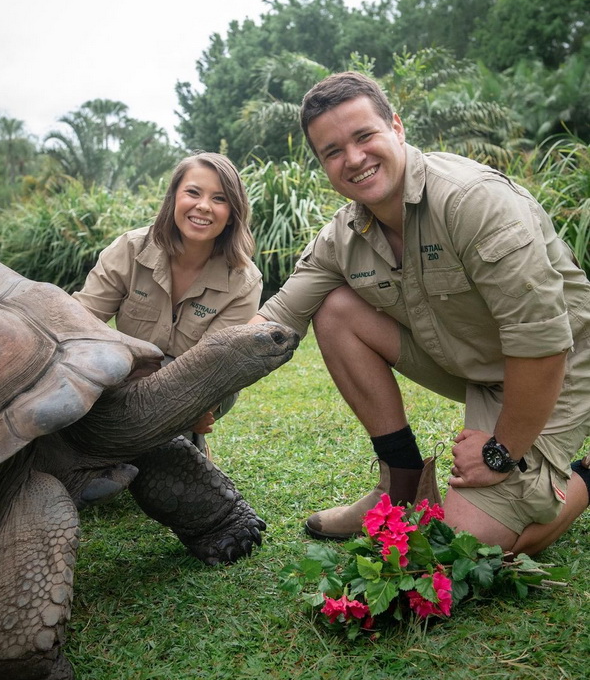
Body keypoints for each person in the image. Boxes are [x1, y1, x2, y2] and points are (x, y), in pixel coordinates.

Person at [251, 71, 590, 556]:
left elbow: (541, 343)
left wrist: (501, 450)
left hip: (562, 366)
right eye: (332, 151)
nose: (353, 159)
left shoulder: (472, 201)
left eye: (364, 136)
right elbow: (275, 320)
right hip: (476, 363)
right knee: (335, 309)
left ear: (397, 127)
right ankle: (401, 484)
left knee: (469, 547)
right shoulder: (344, 233)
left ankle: (586, 474)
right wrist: (197, 385)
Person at [74, 152, 262, 454]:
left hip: (199, 385)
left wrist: (200, 406)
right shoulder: (130, 249)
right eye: (193, 192)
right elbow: (80, 323)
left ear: (232, 213)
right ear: (174, 196)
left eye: (219, 198)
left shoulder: (244, 281)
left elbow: (217, 364)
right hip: (123, 374)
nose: (203, 206)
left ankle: (184, 439)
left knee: (168, 439)